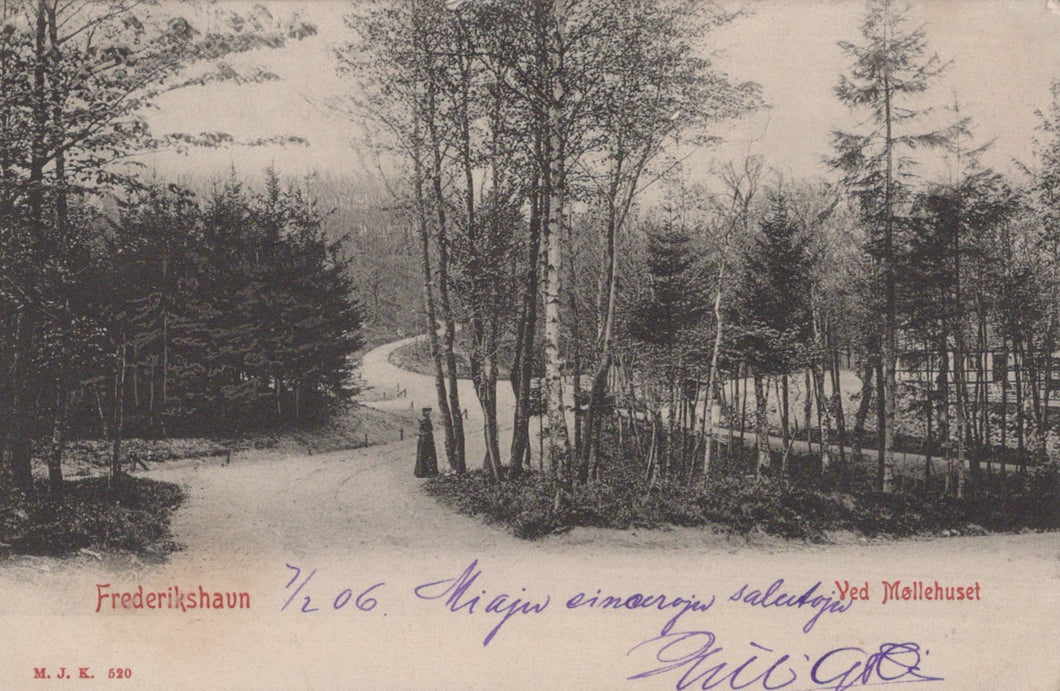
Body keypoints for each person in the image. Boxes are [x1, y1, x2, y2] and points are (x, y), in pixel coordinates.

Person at [414, 407, 439, 478]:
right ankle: (425, 472)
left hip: (426, 438)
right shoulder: (425, 420)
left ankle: (424, 471)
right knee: (425, 454)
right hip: (426, 439)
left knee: (425, 454)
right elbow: (428, 429)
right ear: (424, 412)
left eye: (429, 411)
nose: (428, 413)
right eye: (427, 411)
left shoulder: (425, 420)